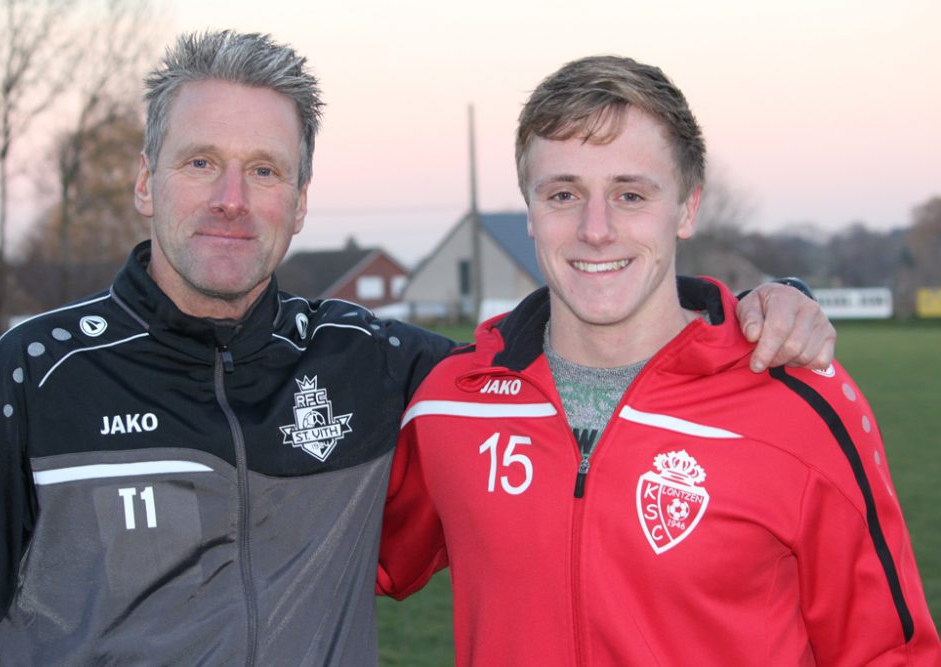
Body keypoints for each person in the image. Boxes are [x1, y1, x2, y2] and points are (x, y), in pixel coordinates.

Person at [0, 31, 834, 666]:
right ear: (145, 182)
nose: (231, 198)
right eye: (199, 161)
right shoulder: (32, 379)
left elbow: (564, 342)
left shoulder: (374, 367)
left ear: (300, 201)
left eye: (265, 169)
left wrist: (760, 308)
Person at [377, 55, 941, 665]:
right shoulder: (450, 403)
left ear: (689, 208)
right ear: (531, 212)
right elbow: (349, 562)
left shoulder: (801, 403)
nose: (596, 229)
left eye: (631, 194)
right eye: (563, 193)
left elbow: (889, 651)